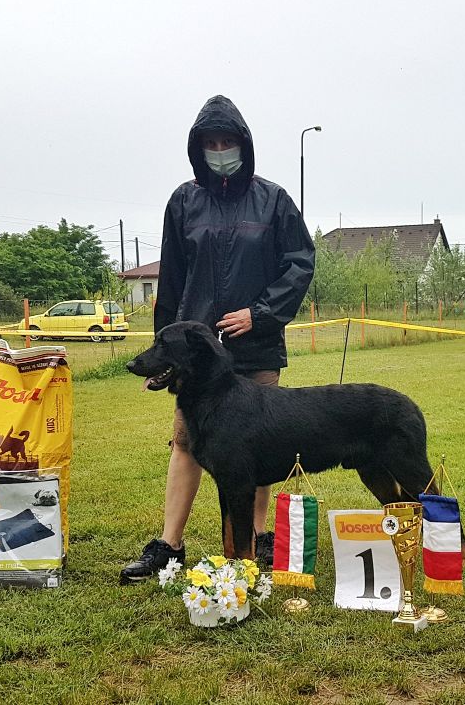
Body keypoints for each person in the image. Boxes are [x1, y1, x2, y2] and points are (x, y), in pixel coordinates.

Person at [121, 95, 315, 584]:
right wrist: (164, 354)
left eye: (228, 142)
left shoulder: (274, 200)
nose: (220, 150)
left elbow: (299, 263)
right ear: (197, 149)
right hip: (196, 357)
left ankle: (256, 541)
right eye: (211, 143)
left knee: (257, 442)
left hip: (256, 344)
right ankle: (169, 546)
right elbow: (173, 277)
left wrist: (262, 314)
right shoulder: (183, 201)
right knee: (185, 443)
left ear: (244, 146)